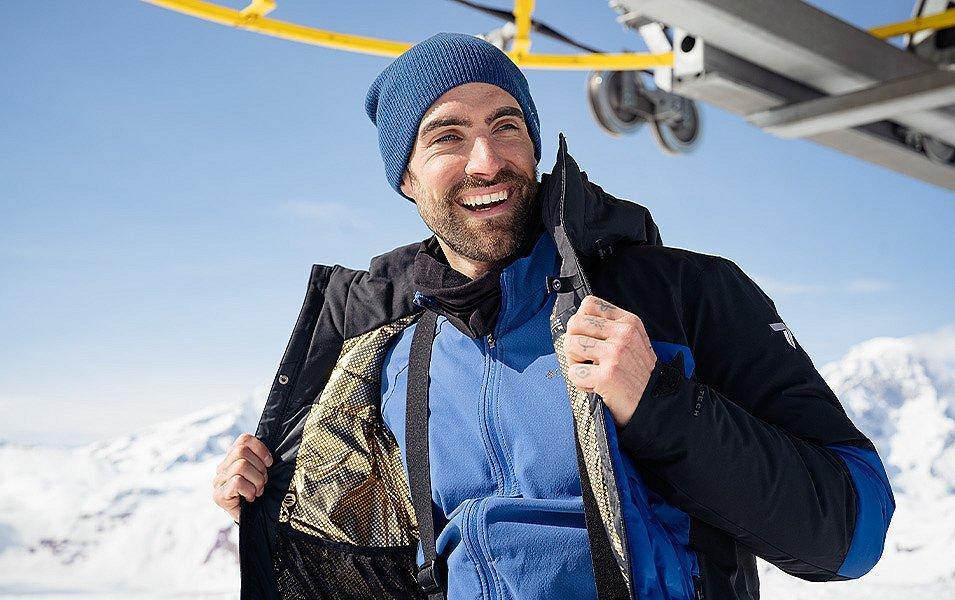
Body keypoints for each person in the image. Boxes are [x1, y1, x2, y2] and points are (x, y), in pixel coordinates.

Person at [213, 32, 894, 600]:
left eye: (505, 126)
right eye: (447, 137)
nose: (488, 162)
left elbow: (852, 535)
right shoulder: (382, 354)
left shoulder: (682, 294)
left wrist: (660, 406)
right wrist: (271, 495)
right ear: (406, 177)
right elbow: (367, 558)